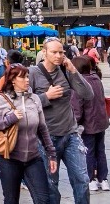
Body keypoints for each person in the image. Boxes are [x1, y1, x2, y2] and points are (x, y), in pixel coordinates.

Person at [28, 36, 93, 204]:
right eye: (54, 52)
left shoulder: (65, 70)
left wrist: (73, 70)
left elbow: (88, 94)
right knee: (50, 184)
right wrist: (45, 97)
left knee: (82, 180)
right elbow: (24, 104)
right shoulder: (33, 73)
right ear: (44, 52)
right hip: (46, 138)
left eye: (61, 52)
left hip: (70, 133)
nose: (58, 56)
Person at [0, 65, 57, 204]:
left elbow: (42, 128)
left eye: (27, 76)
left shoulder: (35, 99)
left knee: (43, 199)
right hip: (9, 158)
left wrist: (51, 153)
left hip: (33, 157)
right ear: (12, 80)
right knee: (11, 200)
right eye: (22, 77)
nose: (27, 80)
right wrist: (9, 119)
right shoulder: (1, 100)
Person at [70, 56, 110, 192]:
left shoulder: (79, 83)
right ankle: (103, 179)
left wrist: (75, 123)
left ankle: (91, 178)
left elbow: (77, 107)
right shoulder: (97, 79)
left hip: (88, 123)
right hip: (101, 121)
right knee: (101, 150)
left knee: (88, 151)